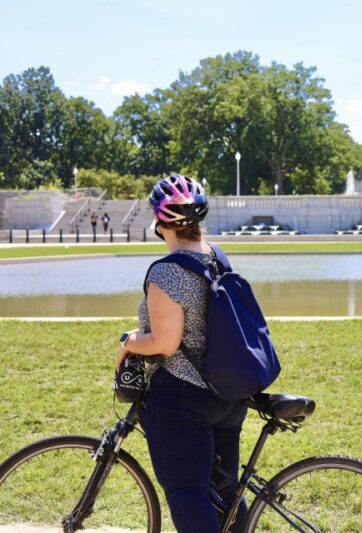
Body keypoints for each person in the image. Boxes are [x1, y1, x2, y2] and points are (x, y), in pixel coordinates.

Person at [115, 174, 247, 532]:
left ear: (160, 223)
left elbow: (164, 343)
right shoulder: (218, 258)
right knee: (226, 494)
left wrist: (128, 341)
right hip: (226, 393)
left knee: (187, 493)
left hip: (181, 397)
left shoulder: (167, 273)